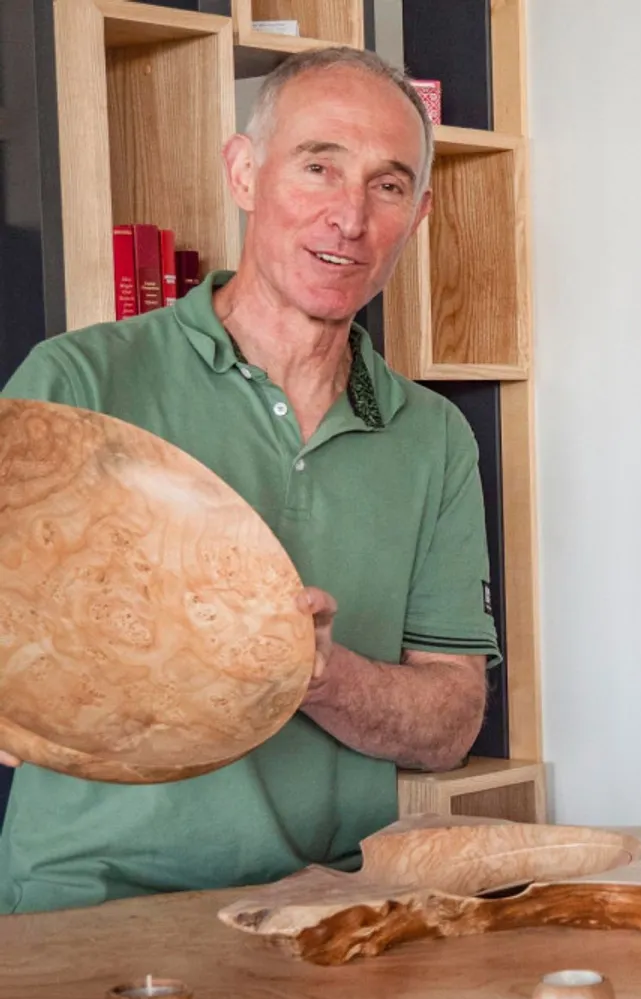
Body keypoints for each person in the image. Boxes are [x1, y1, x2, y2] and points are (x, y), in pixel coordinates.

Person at [0, 47, 497, 912]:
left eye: (386, 186)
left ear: (416, 216)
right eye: (318, 167)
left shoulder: (435, 437)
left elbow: (450, 726)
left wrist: (317, 672)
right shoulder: (78, 382)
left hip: (323, 903)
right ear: (243, 172)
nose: (349, 217)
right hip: (85, 903)